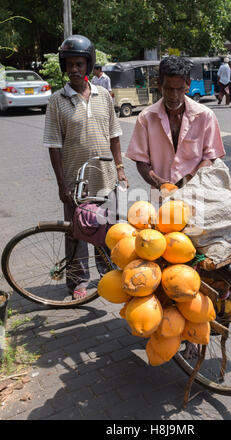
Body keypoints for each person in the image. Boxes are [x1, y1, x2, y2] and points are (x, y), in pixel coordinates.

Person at [43, 34, 127, 299]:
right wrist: (61, 184)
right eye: (69, 65)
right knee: (76, 232)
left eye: (79, 64)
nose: (74, 70)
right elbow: (54, 146)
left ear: (88, 65)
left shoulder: (103, 95)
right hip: (75, 182)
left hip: (106, 178)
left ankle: (109, 274)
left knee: (108, 230)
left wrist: (121, 169)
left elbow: (114, 135)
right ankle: (78, 281)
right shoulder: (57, 101)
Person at [126, 56, 225, 190]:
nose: (174, 95)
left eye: (179, 89)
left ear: (188, 84)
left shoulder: (205, 116)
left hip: (196, 192)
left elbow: (211, 157)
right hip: (160, 194)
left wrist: (188, 181)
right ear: (159, 84)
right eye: (169, 88)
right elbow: (141, 160)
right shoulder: (146, 118)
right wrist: (160, 183)